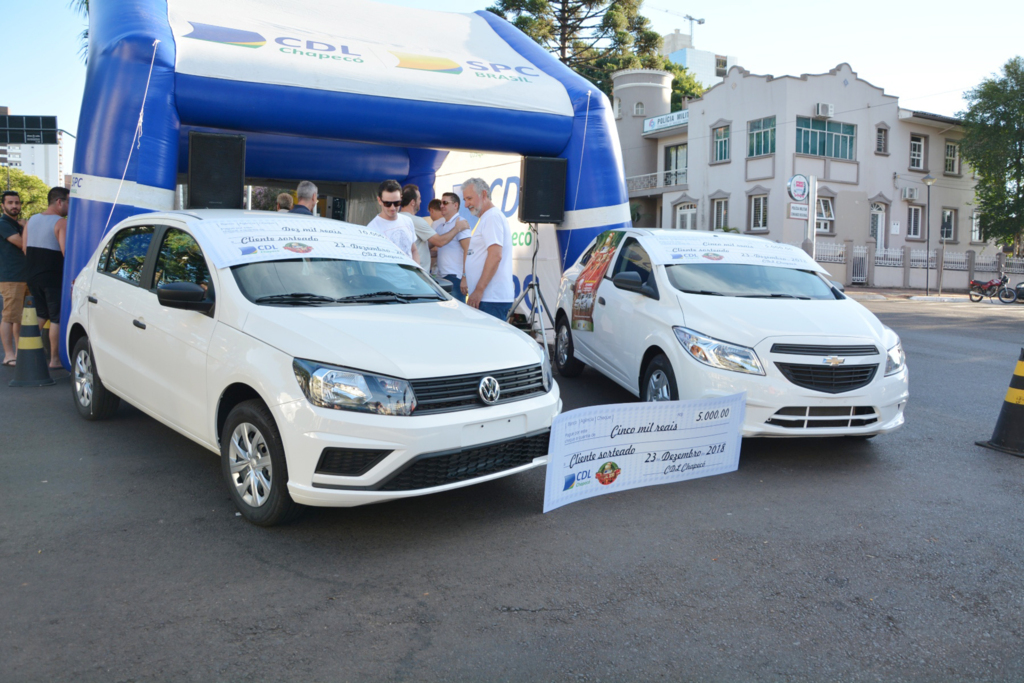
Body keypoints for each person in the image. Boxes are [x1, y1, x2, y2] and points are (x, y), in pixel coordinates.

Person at [22, 187, 68, 368]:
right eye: (68, 201)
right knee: (56, 318)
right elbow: (66, 252)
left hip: (32, 275)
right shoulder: (61, 223)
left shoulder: (31, 220)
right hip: (52, 278)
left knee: (41, 314)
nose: (69, 206)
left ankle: (25, 352)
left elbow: (25, 248)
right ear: (59, 202)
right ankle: (54, 359)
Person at [460, 178, 514, 319]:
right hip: (487, 299)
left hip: (491, 299)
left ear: (483, 194)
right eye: (465, 199)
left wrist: (479, 290)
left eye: (469, 198)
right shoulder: (487, 218)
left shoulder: (492, 217)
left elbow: (495, 256)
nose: (466, 204)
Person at [0, 190, 28, 366]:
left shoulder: (16, 224)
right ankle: (8, 354)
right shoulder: (3, 223)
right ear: (3, 205)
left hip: (24, 276)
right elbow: (21, 243)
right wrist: (26, 227)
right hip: (11, 277)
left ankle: (19, 352)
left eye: (17, 202)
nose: (14, 206)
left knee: (20, 317)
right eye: (10, 203)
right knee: (9, 317)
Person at [432, 192, 472, 302]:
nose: (441, 206)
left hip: (455, 278)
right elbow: (435, 248)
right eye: (441, 203)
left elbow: (468, 251)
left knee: (456, 316)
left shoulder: (461, 223)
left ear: (455, 205)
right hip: (441, 277)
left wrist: (465, 277)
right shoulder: (440, 226)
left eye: (445, 202)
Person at [367, 179, 418, 263]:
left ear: (401, 198)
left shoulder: (407, 221)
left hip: (409, 275)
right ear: (379, 200)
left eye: (397, 203)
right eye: (387, 203)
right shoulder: (372, 228)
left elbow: (414, 250)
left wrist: (417, 271)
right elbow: (370, 263)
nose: (392, 208)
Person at [401, 184, 439, 272]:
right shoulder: (416, 221)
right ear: (413, 202)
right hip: (418, 274)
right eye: (419, 199)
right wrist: (457, 228)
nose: (421, 201)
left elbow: (417, 244)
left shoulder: (396, 218)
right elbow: (440, 241)